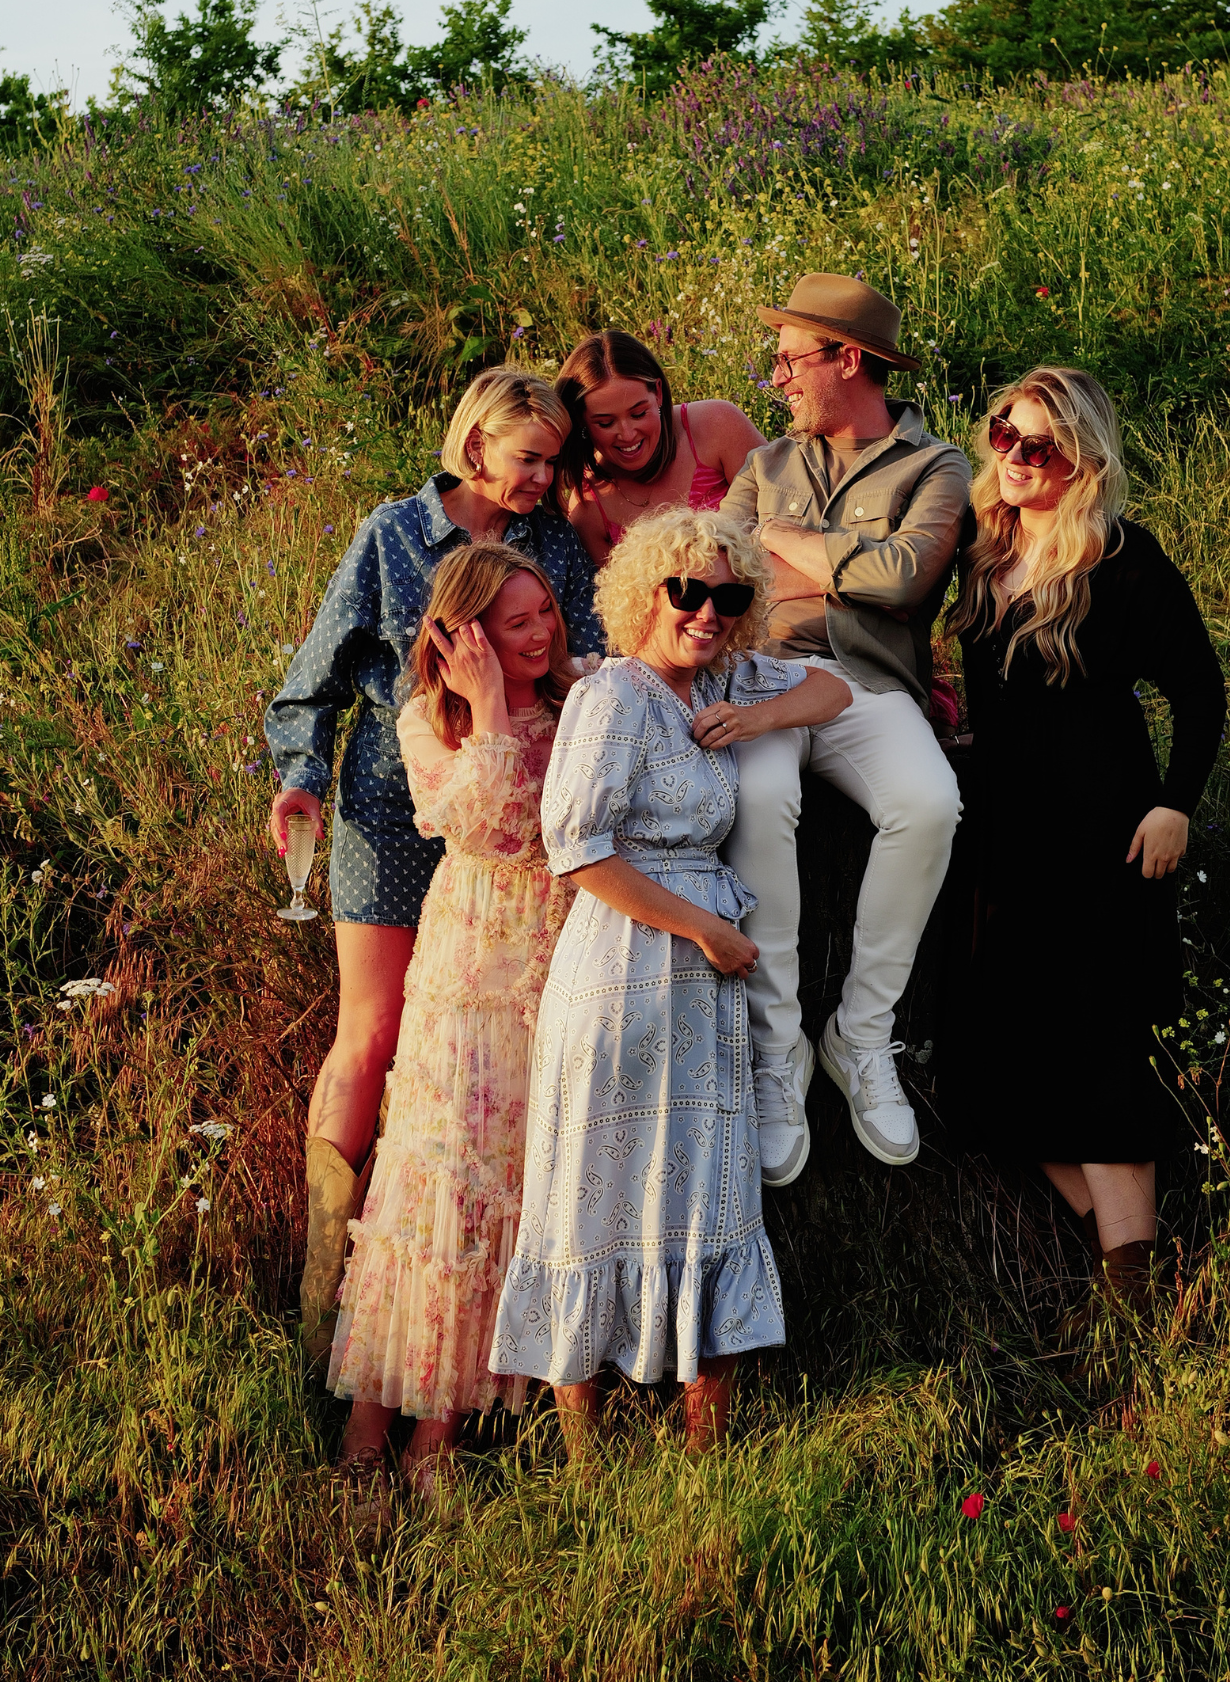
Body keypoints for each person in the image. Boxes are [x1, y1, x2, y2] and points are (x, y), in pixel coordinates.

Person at [488, 509, 850, 1455]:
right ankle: (583, 1463)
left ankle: (704, 1453)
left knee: (711, 1192)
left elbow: (832, 689)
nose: (707, 612)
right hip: (623, 967)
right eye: (687, 591)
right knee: (588, 1198)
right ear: (644, 593)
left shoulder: (723, 677)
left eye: (729, 596)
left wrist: (757, 717)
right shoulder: (612, 696)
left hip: (701, 985)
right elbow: (578, 852)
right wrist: (707, 930)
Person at [263, 366, 603, 1370]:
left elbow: (584, 662)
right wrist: (302, 779)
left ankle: (478, 1307)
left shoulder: (552, 545)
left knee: (492, 1050)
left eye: (553, 461)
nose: (541, 479)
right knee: (371, 1034)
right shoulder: (393, 535)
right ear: (476, 443)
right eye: (528, 458)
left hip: (510, 828)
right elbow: (314, 680)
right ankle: (330, 1293)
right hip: (388, 803)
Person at [944, 367, 1226, 1308]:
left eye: (1041, 446)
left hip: (1104, 828)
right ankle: (1122, 1259)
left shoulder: (1122, 557)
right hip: (1004, 835)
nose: (1016, 457)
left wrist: (1175, 805)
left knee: (1098, 1046)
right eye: (1005, 433)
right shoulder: (984, 547)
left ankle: (1132, 1292)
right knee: (995, 1060)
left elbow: (1199, 690)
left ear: (1083, 462)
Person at [327, 542, 590, 1491]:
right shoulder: (425, 721)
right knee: (435, 1184)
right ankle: (366, 1437)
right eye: (516, 622)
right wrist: (486, 708)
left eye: (544, 611)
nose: (540, 633)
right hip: (471, 967)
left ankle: (436, 1438)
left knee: (509, 1184)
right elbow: (484, 827)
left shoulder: (577, 700)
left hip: (554, 961)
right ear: (463, 636)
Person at [718, 273, 970, 1188]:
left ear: (848, 359)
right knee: (757, 794)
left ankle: (860, 1037)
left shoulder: (935, 467)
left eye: (791, 360)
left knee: (930, 803)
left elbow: (904, 582)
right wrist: (841, 564)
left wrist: (785, 546)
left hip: (870, 683)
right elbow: (718, 569)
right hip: (766, 673)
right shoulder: (766, 466)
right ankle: (776, 1047)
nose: (778, 377)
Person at [557, 329, 765, 563]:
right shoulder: (588, 507)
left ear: (658, 392)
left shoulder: (717, 425)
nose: (627, 434)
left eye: (638, 413)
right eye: (605, 423)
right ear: (581, 420)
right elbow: (610, 587)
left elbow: (787, 507)